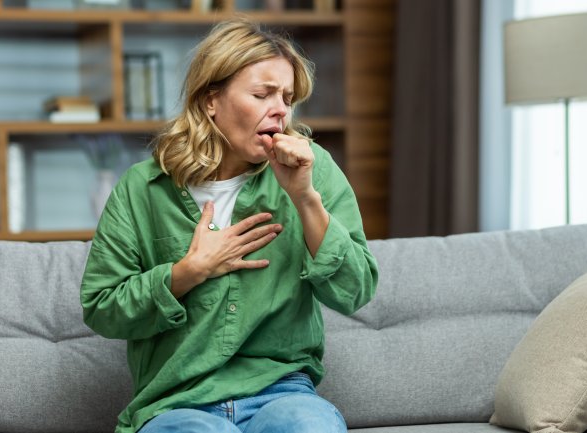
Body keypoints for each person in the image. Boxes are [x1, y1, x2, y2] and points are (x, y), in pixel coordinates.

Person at [80, 18, 378, 433]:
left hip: (282, 392)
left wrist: (305, 199)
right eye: (262, 94)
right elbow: (102, 309)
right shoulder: (142, 189)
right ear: (210, 101)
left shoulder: (314, 170)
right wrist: (188, 272)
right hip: (176, 400)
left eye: (287, 98)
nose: (280, 109)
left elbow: (356, 290)